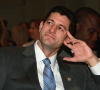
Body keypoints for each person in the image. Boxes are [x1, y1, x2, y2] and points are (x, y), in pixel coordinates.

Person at [0, 6, 100, 90]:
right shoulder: (7, 57)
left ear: (67, 38)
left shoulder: (79, 71)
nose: (52, 30)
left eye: (60, 28)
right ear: (41, 26)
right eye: (50, 23)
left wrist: (92, 59)